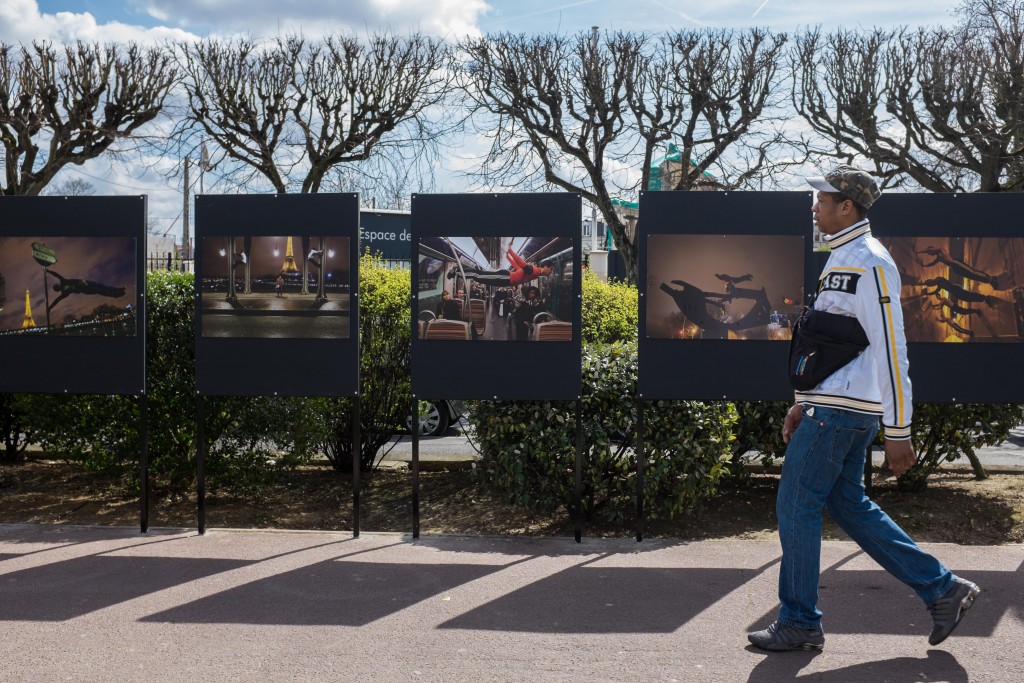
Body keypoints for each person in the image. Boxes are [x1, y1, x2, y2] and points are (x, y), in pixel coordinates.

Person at [747, 165, 981, 653]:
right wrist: (801, 403)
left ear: (847, 205)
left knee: (795, 503)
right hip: (833, 408)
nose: (815, 206)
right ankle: (943, 589)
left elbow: (891, 347)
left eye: (823, 198)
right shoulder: (844, 257)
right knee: (847, 505)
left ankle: (799, 621)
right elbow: (833, 346)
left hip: (840, 415)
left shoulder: (869, 261)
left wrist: (900, 430)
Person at [449, 248, 552, 287]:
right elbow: (521, 264)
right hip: (505, 278)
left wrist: (508, 257)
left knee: (480, 276)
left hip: (505, 278)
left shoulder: (536, 273)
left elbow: (518, 267)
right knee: (478, 275)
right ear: (546, 267)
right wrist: (511, 251)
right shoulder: (536, 271)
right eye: (551, 270)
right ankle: (456, 272)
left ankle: (457, 272)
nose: (550, 273)